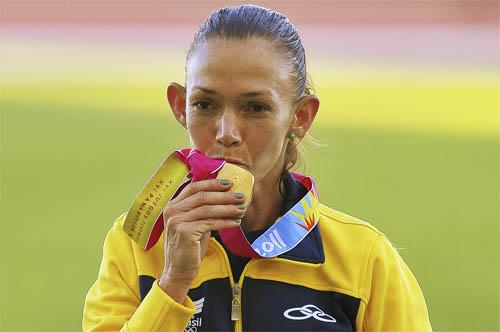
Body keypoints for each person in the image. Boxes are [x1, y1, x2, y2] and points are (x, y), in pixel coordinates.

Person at [83, 4, 432, 331]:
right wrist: (172, 283)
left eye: (255, 108)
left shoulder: (364, 259)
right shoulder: (135, 247)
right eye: (204, 104)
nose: (227, 133)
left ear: (300, 116)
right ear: (179, 107)